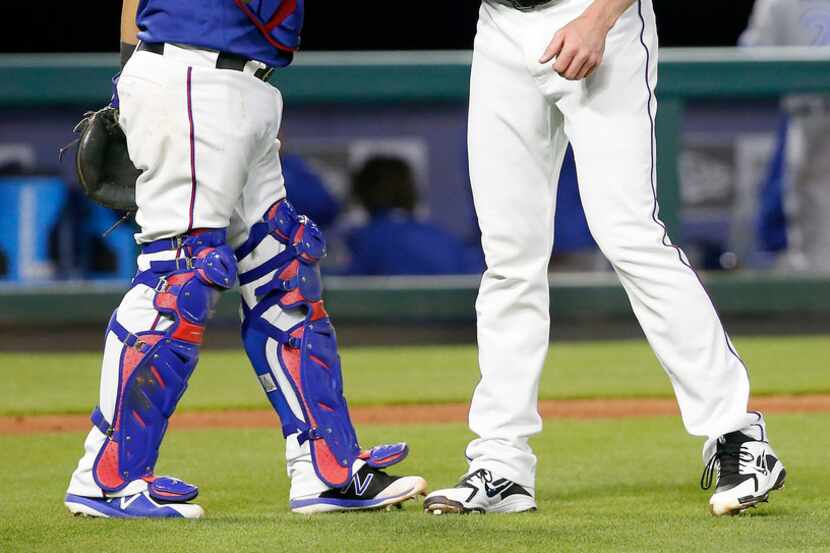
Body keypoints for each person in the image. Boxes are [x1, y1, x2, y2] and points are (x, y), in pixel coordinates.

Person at [63, 0, 426, 519]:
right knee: (181, 275)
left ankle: (326, 467)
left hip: (245, 82)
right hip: (190, 73)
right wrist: (134, 81)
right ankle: (107, 477)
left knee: (284, 272)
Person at [423, 0, 786, 516]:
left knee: (629, 234)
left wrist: (598, 18)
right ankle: (501, 463)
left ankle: (738, 436)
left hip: (595, 17)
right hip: (500, 25)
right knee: (508, 257)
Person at [741, 0, 830, 273]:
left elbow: (753, 51)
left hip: (809, 113)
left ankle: (813, 278)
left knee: (809, 197)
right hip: (810, 110)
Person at [346, 156, 479, 275]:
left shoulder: (365, 243)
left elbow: (339, 288)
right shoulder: (446, 239)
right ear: (412, 193)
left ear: (363, 196)